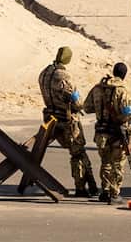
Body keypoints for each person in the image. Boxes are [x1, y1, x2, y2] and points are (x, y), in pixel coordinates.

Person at [37, 46, 97, 198]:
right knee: (78, 153)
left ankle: (92, 185)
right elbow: (76, 101)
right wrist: (81, 104)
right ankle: (81, 187)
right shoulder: (63, 76)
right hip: (67, 120)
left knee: (78, 153)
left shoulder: (44, 73)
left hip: (51, 118)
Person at [83, 62, 131, 203]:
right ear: (124, 75)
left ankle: (104, 191)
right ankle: (114, 193)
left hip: (101, 133)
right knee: (118, 164)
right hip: (117, 133)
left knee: (105, 162)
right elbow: (129, 113)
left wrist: (101, 111)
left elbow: (87, 107)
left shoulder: (97, 88)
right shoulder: (122, 91)